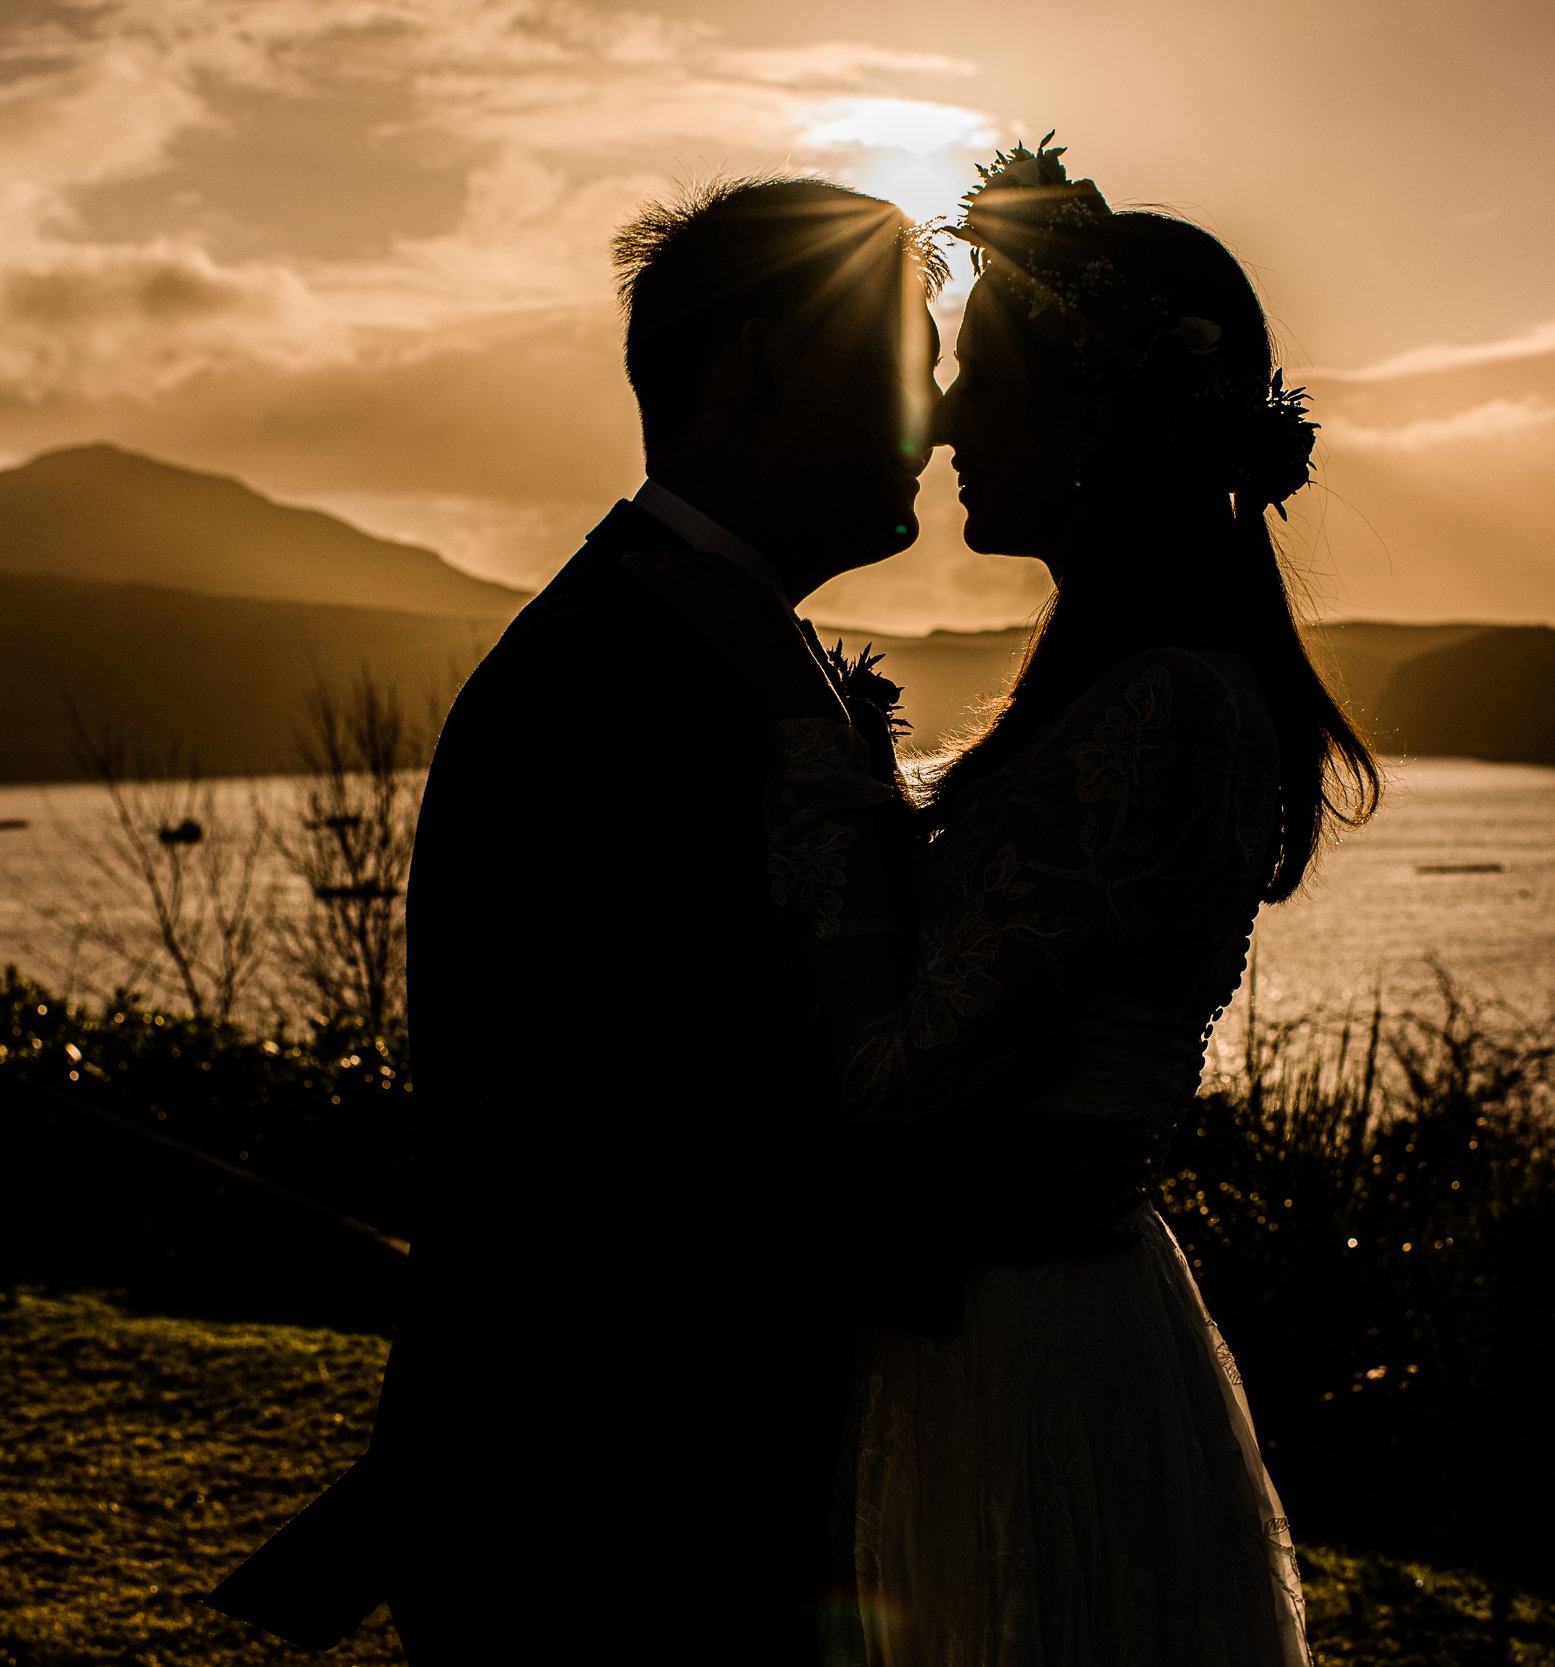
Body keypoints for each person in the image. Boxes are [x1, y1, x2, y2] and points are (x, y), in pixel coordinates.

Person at [209, 174, 1148, 1663]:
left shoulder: (697, 649)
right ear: (763, 361)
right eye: (911, 357)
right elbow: (647, 1147)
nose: (942, 415)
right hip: (620, 1532)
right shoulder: (609, 690)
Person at [633, 137, 1380, 1667]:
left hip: (1037, 1339)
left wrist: (819, 786)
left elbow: (897, 1074)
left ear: (1102, 419)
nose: (950, 408)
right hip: (1009, 1313)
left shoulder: (1165, 708)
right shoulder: (1132, 693)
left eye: (984, 370)